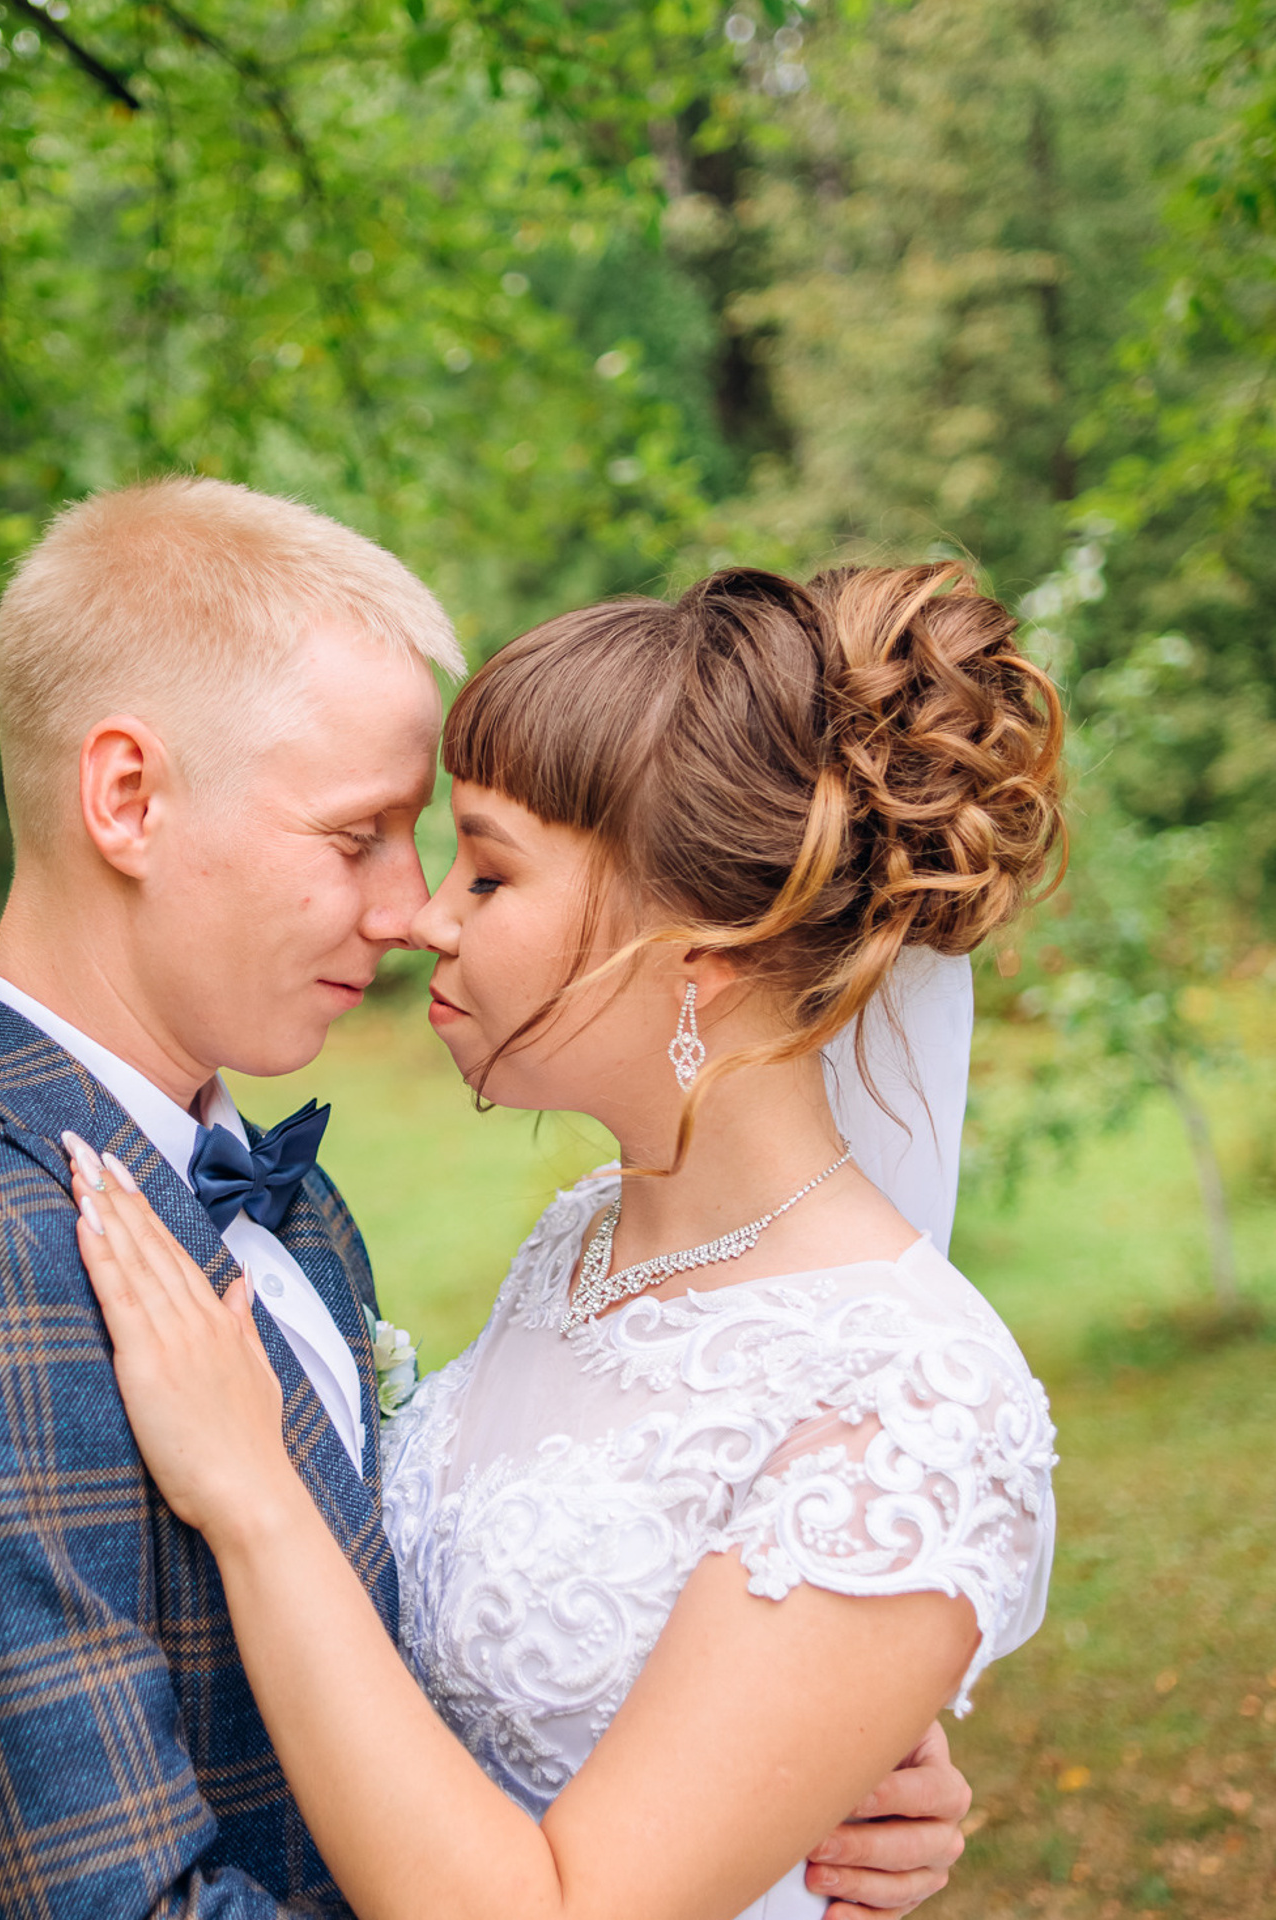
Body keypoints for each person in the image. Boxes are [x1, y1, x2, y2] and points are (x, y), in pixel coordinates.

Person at [0, 482, 979, 1919]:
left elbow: (419, 1676)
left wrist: (782, 1757)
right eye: (356, 836)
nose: (407, 910)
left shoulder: (292, 1208)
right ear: (127, 798)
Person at [60, 562, 1064, 1920]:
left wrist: (254, 1500)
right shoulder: (585, 1242)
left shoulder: (913, 1404)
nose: (422, 916)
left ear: (698, 945)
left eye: (489, 869)